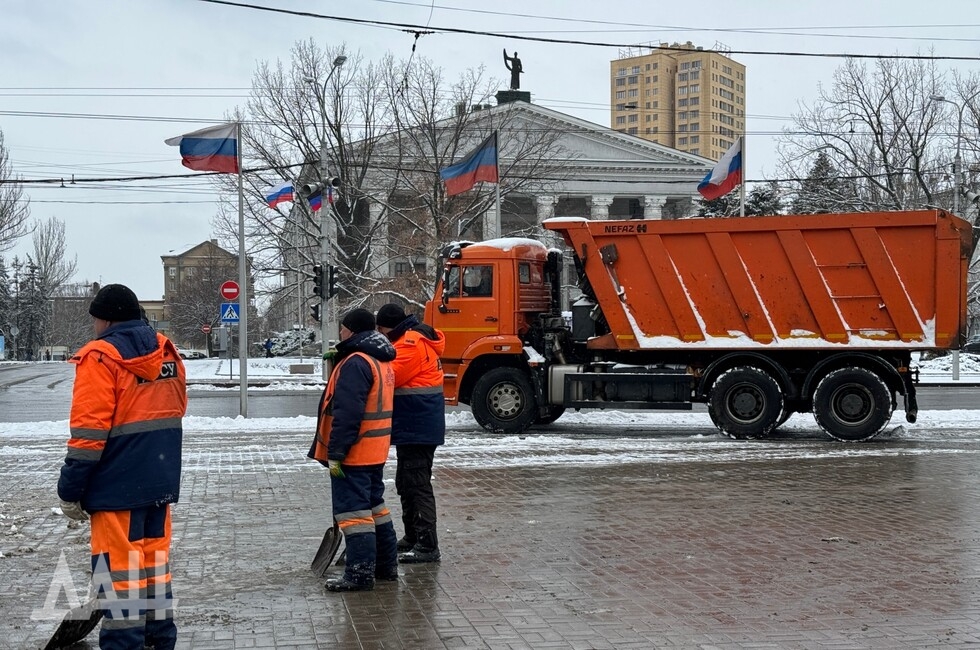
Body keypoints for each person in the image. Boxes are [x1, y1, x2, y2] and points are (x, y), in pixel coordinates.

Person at [57, 283, 187, 650]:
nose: (95, 326)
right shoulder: (167, 353)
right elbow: (174, 412)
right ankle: (158, 641)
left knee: (118, 576)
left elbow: (87, 437)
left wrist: (70, 490)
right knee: (154, 570)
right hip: (158, 485)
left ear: (106, 319)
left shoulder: (99, 359)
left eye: (96, 319)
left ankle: (124, 645)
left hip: (116, 491)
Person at [308, 308, 398, 591]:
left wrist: (336, 453)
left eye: (344, 328)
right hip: (375, 449)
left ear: (353, 331)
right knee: (375, 508)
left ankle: (359, 575)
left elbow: (347, 413)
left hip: (355, 452)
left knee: (354, 514)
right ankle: (386, 566)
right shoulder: (379, 359)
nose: (341, 333)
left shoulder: (356, 363)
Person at [375, 303, 447, 564]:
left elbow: (387, 377)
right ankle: (413, 537)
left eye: (381, 329)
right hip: (415, 426)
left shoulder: (410, 345)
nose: (380, 335)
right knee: (407, 483)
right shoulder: (410, 340)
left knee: (417, 485)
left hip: (418, 427)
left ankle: (428, 545)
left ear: (388, 327)